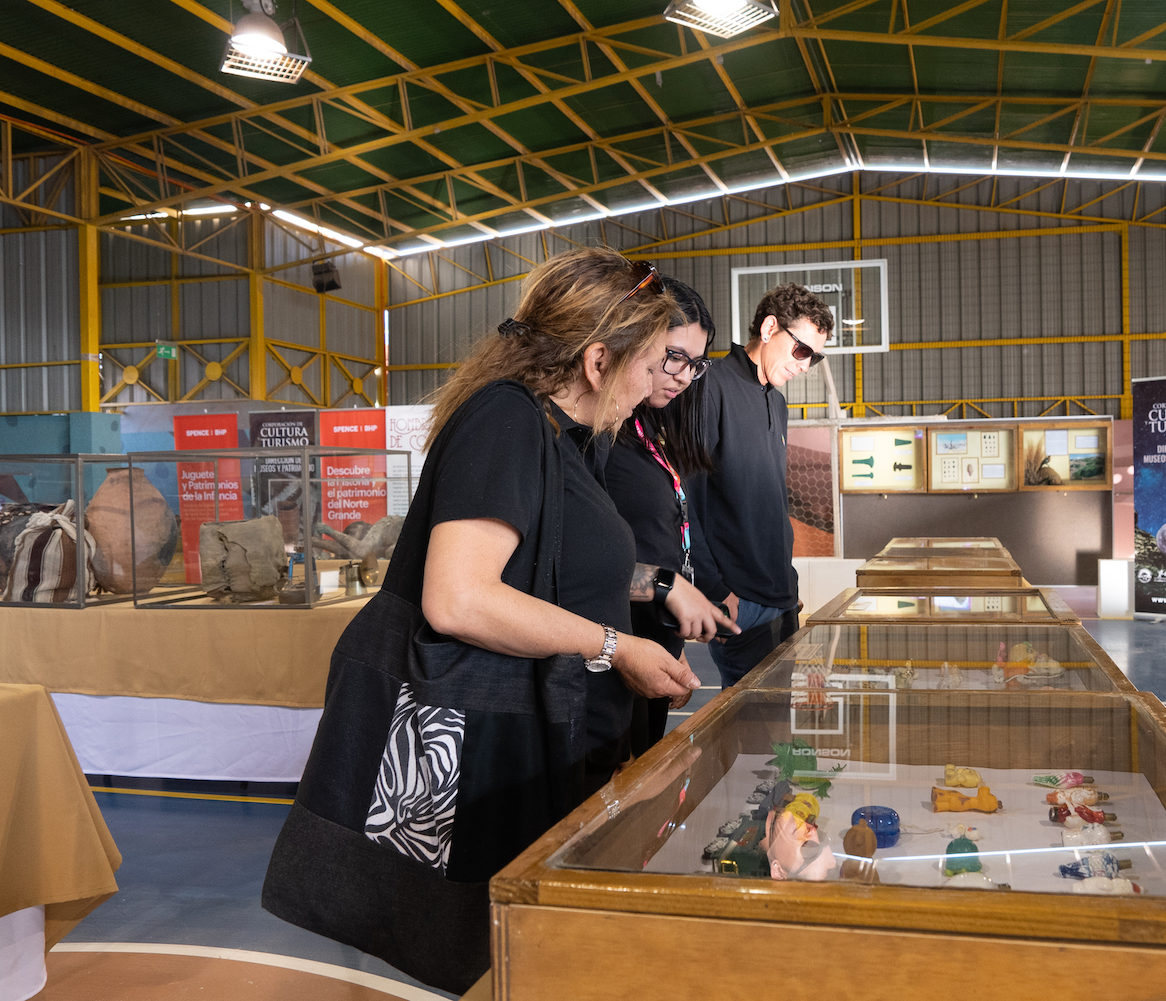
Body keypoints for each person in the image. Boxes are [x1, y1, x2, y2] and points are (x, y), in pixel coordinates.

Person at [262, 248, 709, 995]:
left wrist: (653, 595)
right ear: (599, 360)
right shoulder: (506, 420)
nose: (652, 385)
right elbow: (459, 598)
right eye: (651, 362)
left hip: (546, 736)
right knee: (493, 951)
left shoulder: (564, 438)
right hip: (489, 743)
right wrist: (614, 646)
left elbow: (556, 570)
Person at [606, 276, 738, 754]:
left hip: (650, 646)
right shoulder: (596, 436)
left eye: (695, 364)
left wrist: (674, 631)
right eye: (674, 357)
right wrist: (665, 586)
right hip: (609, 655)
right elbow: (569, 569)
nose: (683, 376)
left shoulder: (644, 428)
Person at [686, 283, 834, 686]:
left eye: (814, 357)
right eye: (801, 351)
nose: (805, 366)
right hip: (740, 601)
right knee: (754, 723)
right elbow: (684, 500)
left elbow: (768, 504)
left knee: (780, 717)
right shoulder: (709, 387)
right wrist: (715, 590)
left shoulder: (777, 402)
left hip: (781, 596)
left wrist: (787, 582)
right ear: (770, 329)